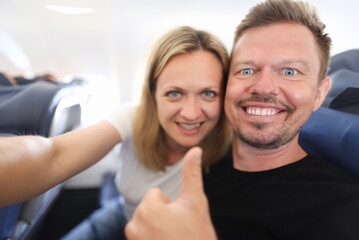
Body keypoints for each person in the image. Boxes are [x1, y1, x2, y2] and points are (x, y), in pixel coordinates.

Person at [125, 0, 359, 239]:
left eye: (290, 71)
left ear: (319, 93)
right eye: (246, 70)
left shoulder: (346, 209)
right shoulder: (194, 169)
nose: (264, 87)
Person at [0, 26, 232, 239]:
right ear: (153, 94)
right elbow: (55, 155)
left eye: (208, 94)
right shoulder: (133, 117)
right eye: (174, 93)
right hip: (121, 212)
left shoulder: (232, 142)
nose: (191, 114)